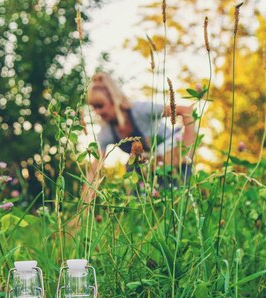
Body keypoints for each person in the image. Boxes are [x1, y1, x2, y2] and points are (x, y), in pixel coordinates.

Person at [83, 72, 196, 202]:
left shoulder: (140, 110)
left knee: (178, 201)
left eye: (100, 106)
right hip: (147, 168)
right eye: (93, 107)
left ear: (114, 99)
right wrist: (83, 210)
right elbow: (94, 171)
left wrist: (187, 152)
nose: (97, 112)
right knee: (137, 201)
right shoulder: (106, 132)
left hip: (174, 160)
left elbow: (186, 111)